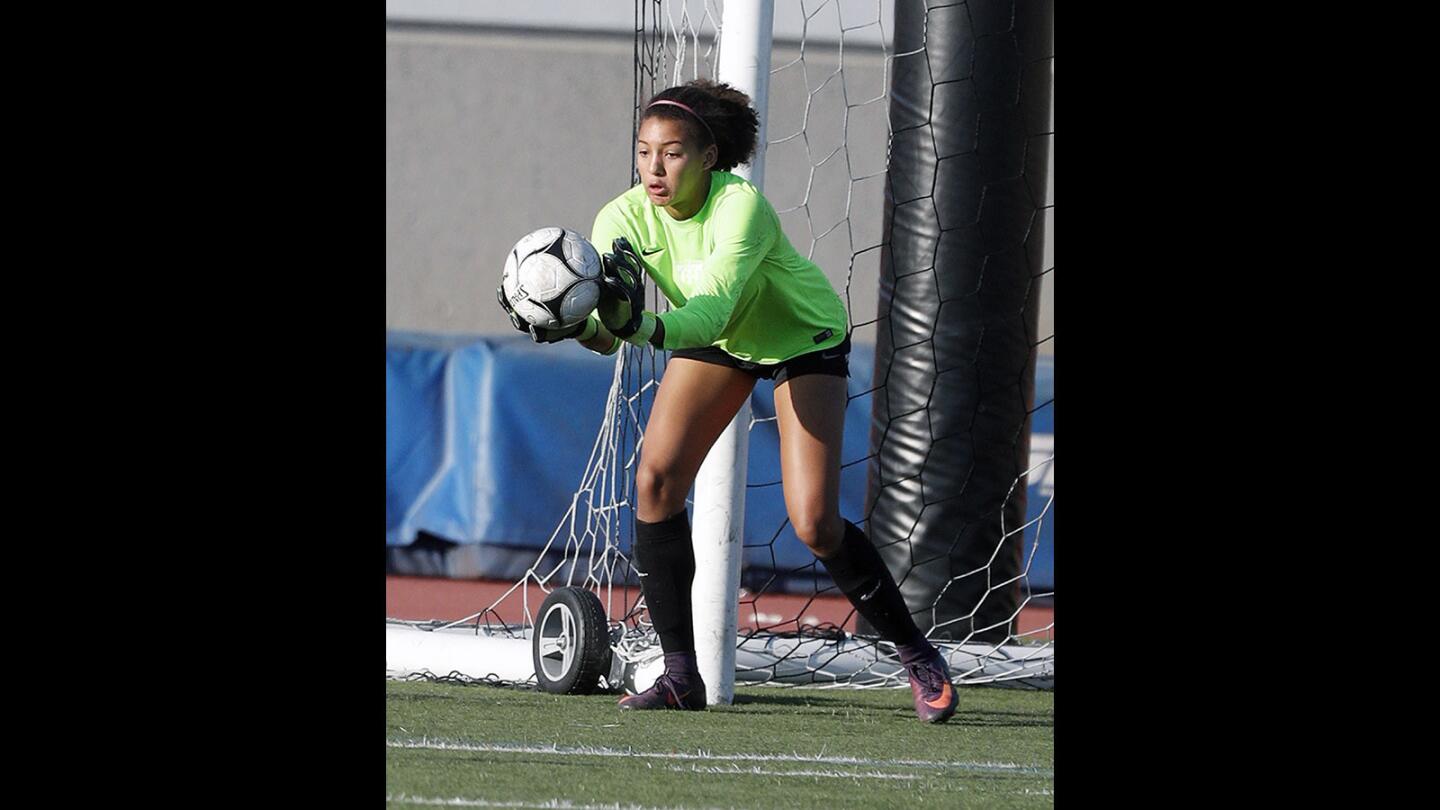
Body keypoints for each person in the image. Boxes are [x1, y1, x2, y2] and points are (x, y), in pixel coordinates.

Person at [500, 79, 957, 724]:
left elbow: (711, 308)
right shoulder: (618, 220)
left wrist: (646, 330)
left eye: (673, 153)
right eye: (643, 151)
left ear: (709, 158)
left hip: (800, 338)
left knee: (814, 524)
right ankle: (681, 675)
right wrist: (573, 322)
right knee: (655, 481)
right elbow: (612, 335)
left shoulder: (741, 208)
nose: (654, 168)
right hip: (719, 341)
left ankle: (917, 655)